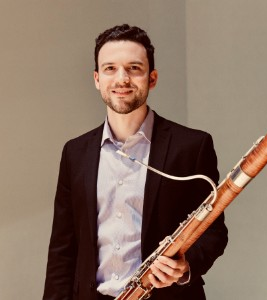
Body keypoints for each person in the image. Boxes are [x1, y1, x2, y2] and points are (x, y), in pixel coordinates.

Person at [43, 24, 228, 300]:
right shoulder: (75, 153)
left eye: (134, 68)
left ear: (152, 78)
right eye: (110, 69)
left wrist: (185, 267)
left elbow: (213, 232)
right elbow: (62, 249)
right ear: (96, 79)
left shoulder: (192, 146)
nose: (122, 79)